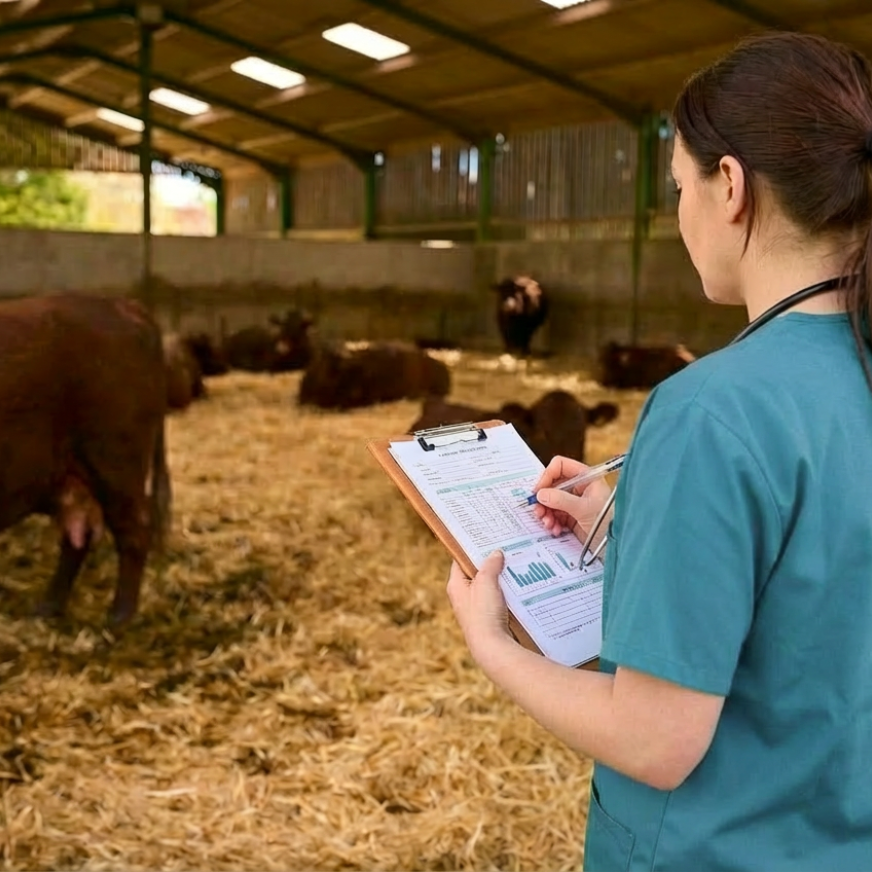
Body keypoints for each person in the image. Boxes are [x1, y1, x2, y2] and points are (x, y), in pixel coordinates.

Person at [446, 30, 872, 872]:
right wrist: (631, 521)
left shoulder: (712, 410)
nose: (678, 214)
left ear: (730, 186)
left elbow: (657, 738)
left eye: (678, 185)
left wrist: (492, 644)